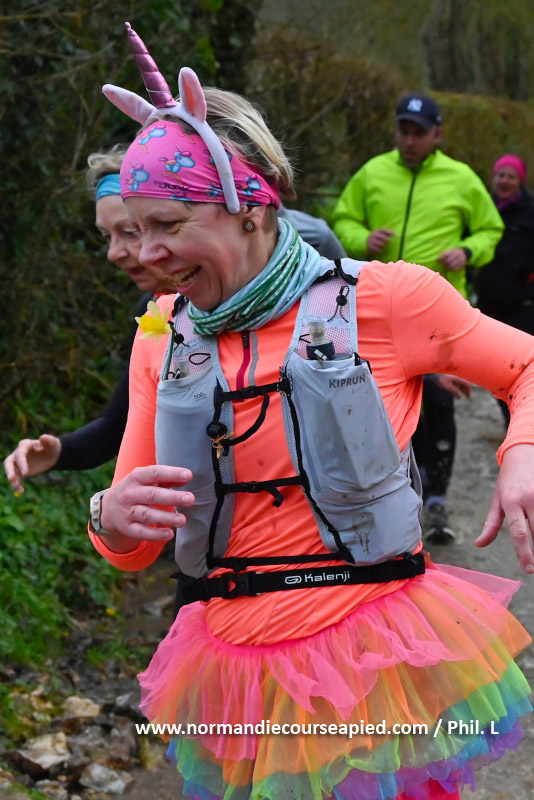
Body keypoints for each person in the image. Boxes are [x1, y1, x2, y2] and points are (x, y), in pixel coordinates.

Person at [88, 24, 533, 800]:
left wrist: (520, 453)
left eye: (169, 226)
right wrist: (110, 516)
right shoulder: (162, 337)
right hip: (232, 673)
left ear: (250, 210)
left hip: (375, 660)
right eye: (136, 226)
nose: (146, 254)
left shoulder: (386, 299)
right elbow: (131, 545)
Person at [331, 93, 504, 544]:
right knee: (380, 401)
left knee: (440, 401)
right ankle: (397, 492)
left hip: (439, 312)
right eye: (403, 131)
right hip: (379, 310)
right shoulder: (372, 172)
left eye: (418, 133)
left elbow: (491, 228)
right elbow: (341, 221)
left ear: (437, 134)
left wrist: (467, 250)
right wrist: (362, 238)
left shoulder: (461, 178)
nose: (409, 140)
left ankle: (438, 498)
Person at [3, 146, 175, 494]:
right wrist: (57, 451)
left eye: (130, 232)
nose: (113, 253)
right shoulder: (152, 311)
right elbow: (118, 425)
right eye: (106, 237)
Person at [475, 154, 534, 426]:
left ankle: (524, 424)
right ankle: (512, 423)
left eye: (511, 176)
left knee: (523, 369)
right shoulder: (482, 209)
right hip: (489, 303)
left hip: (524, 304)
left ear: (520, 181)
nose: (505, 181)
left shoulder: (530, 211)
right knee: (496, 371)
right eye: (501, 175)